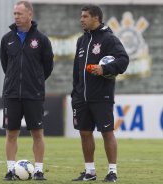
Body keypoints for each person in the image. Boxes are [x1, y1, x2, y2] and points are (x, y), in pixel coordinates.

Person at [71, 4, 129, 182]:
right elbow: (76, 70)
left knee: (107, 132)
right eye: (81, 16)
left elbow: (123, 60)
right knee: (84, 132)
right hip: (82, 97)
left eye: (85, 16)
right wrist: (75, 93)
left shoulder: (109, 39)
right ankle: (90, 172)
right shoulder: (81, 41)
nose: (81, 19)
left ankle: (112, 172)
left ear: (96, 18)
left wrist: (104, 69)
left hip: (101, 96)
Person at [0, 0, 54, 181]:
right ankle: (10, 170)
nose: (16, 16)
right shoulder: (6, 39)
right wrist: (14, 81)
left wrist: (35, 82)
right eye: (14, 13)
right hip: (12, 94)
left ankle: (38, 170)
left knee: (37, 133)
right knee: (11, 133)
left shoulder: (42, 40)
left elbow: (47, 67)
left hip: (34, 95)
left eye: (19, 14)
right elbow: (5, 65)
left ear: (29, 14)